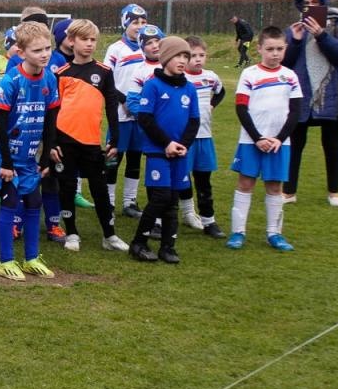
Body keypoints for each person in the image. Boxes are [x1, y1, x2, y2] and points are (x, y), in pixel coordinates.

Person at [0, 20, 60, 280]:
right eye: (37, 50)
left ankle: (31, 258)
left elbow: (52, 118)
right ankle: (5, 260)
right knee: (11, 200)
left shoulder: (50, 77)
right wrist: (5, 162)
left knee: (34, 201)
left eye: (47, 48)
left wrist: (47, 155)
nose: (44, 54)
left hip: (31, 154)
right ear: (21, 51)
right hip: (5, 153)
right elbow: (0, 124)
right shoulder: (11, 80)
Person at [51, 19, 126, 253]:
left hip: (92, 141)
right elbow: (53, 110)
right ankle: (72, 233)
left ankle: (109, 235)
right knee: (67, 187)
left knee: (100, 189)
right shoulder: (61, 73)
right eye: (84, 39)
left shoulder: (104, 72)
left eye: (93, 40)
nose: (90, 44)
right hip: (65, 141)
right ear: (71, 41)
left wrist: (115, 138)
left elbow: (112, 107)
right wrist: (52, 143)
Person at [227, 26, 302, 252]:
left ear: (286, 48)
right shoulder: (250, 74)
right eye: (270, 49)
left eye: (279, 49)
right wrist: (258, 137)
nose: (275, 53)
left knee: (274, 187)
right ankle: (238, 232)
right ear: (259, 49)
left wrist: (279, 138)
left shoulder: (290, 76)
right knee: (245, 183)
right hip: (251, 141)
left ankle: (274, 234)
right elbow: (241, 108)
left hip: (280, 143)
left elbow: (295, 111)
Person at [283, 0, 338, 207]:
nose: (310, 7)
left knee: (332, 142)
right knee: (295, 142)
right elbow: (285, 63)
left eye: (315, 3)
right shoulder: (295, 28)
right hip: (302, 93)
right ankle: (288, 192)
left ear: (323, 4)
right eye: (306, 3)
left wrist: (321, 35)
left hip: (332, 92)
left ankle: (334, 193)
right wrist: (295, 41)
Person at [127, 36, 198, 264]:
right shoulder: (153, 85)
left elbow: (194, 121)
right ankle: (139, 242)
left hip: (179, 153)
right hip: (158, 151)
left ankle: (168, 247)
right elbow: (146, 119)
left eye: (186, 56)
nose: (183, 60)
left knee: (173, 201)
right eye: (178, 55)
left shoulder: (189, 88)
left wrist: (182, 146)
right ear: (166, 57)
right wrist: (166, 143)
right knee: (160, 197)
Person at [103, 4, 150, 217]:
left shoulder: (148, 49)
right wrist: (124, 101)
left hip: (140, 115)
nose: (139, 26)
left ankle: (130, 202)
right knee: (113, 158)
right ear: (125, 24)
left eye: (143, 22)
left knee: (135, 158)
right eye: (135, 22)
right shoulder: (116, 49)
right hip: (120, 114)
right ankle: (108, 202)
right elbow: (107, 79)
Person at [179, 37, 227, 240]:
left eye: (201, 55)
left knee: (204, 180)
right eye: (192, 55)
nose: (197, 59)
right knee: (182, 179)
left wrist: (212, 105)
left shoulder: (211, 77)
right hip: (185, 138)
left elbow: (221, 91)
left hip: (205, 137)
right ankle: (188, 213)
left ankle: (209, 220)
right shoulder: (181, 78)